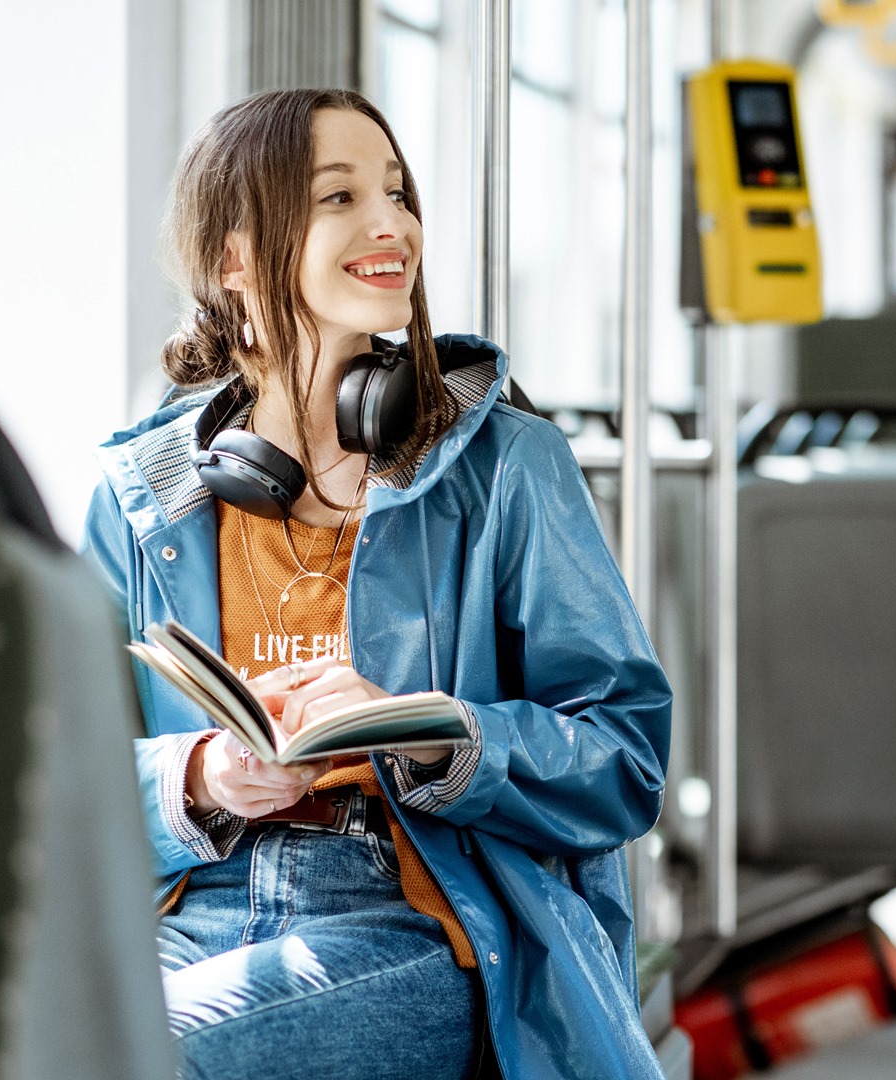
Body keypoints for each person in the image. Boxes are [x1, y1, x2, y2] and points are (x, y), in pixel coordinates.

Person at [82, 88, 672, 1079]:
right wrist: (200, 777)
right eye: (341, 197)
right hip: (194, 898)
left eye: (396, 192)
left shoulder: (504, 471)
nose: (390, 223)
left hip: (409, 913)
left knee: (145, 1055)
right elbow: (67, 776)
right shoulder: (143, 500)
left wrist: (441, 734)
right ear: (235, 259)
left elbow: (626, 758)